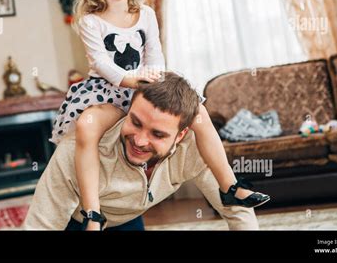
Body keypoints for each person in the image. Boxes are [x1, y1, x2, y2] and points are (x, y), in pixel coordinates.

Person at [49, 0, 269, 230]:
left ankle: (230, 187)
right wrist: (128, 79)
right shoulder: (91, 21)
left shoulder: (146, 14)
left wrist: (155, 83)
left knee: (199, 112)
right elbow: (100, 62)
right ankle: (92, 212)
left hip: (145, 89)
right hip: (107, 92)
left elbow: (154, 54)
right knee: (87, 127)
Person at [25, 72, 259, 230]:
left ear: (180, 136)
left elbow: (234, 208)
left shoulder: (195, 150)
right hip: (78, 223)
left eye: (157, 134)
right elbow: (40, 225)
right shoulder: (77, 150)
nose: (139, 140)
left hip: (128, 220)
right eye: (135, 122)